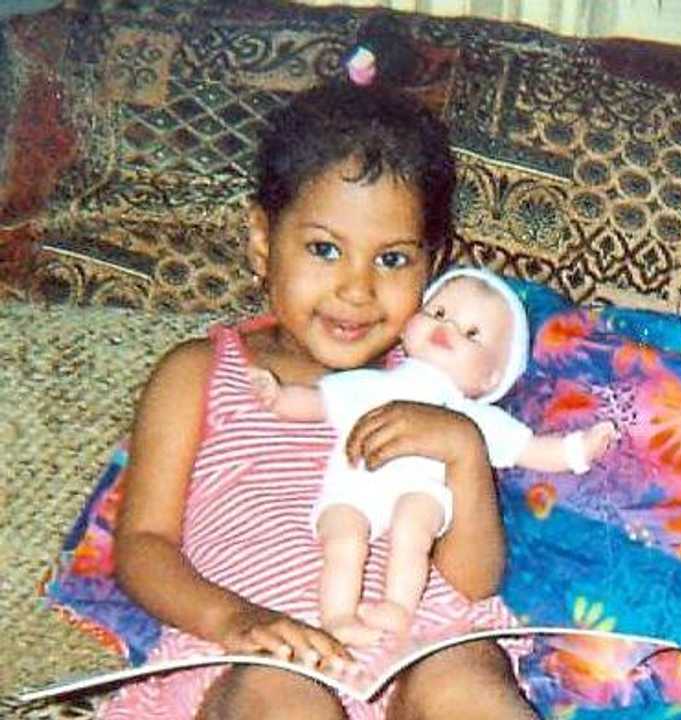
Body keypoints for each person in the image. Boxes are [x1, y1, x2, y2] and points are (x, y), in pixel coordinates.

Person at [99, 81, 539, 720]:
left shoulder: (436, 391)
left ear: (433, 266)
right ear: (261, 240)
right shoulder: (199, 373)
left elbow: (474, 581)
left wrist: (465, 455)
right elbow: (142, 545)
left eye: (391, 259)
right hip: (261, 646)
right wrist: (235, 620)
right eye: (325, 249)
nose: (357, 289)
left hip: (418, 633)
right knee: (280, 701)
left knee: (468, 685)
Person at [249, 267, 616, 646]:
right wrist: (277, 396)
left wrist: (580, 449)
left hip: (421, 491)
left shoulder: (473, 416)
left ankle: (397, 607)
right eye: (439, 314)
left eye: (473, 334)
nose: (449, 329)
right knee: (344, 539)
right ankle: (337, 617)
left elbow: (532, 449)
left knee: (413, 528)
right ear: (409, 329)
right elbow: (319, 402)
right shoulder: (374, 383)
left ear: (492, 378)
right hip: (354, 484)